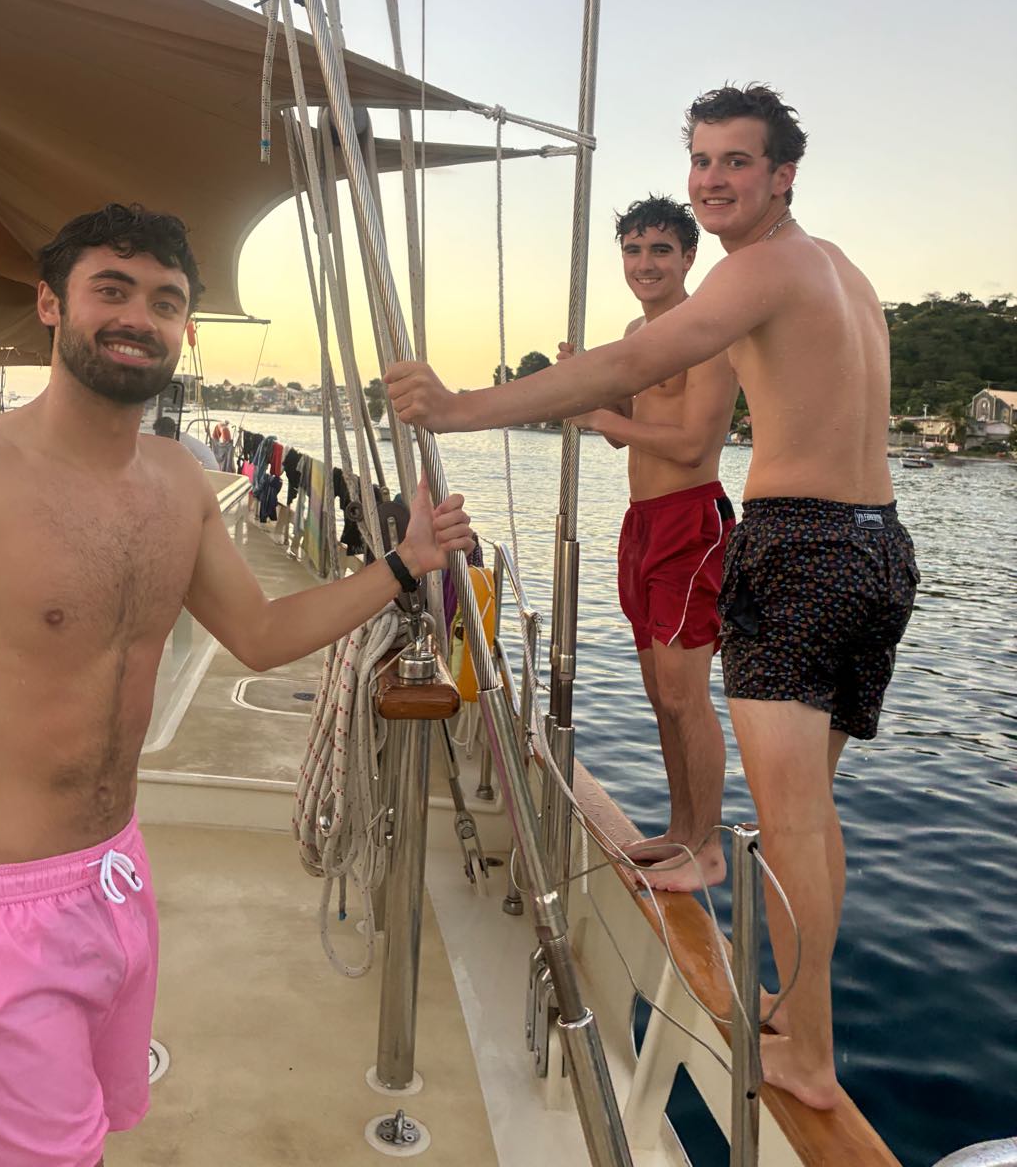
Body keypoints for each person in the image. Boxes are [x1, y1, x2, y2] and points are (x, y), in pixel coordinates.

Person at [385, 84, 919, 1111]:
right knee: (810, 819)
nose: (712, 180)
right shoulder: (837, 268)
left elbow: (633, 360)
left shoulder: (759, 268)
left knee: (789, 823)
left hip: (801, 547)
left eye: (736, 162)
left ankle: (810, 1053)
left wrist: (458, 409)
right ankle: (795, 1005)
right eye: (702, 160)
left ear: (783, 176)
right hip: (875, 546)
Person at [0, 202, 473, 1167]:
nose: (138, 317)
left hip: (115, 879)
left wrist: (404, 563)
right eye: (111, 289)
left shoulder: (178, 483)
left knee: (93, 1133)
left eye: (165, 300)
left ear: (185, 326)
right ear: (50, 304)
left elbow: (261, 635)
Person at [560, 196, 737, 891]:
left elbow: (693, 444)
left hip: (692, 523)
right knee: (660, 694)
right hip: (641, 523)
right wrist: (590, 385)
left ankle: (708, 846)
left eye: (660, 250)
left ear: (689, 257)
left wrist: (601, 414)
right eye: (633, 250)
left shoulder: (710, 334)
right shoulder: (637, 332)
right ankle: (680, 829)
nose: (645, 263)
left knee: (685, 694)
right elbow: (619, 431)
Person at [153, 411, 217, 469]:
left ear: (166, 432)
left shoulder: (181, 441)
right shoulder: (177, 438)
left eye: (159, 433)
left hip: (209, 469)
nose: (157, 436)